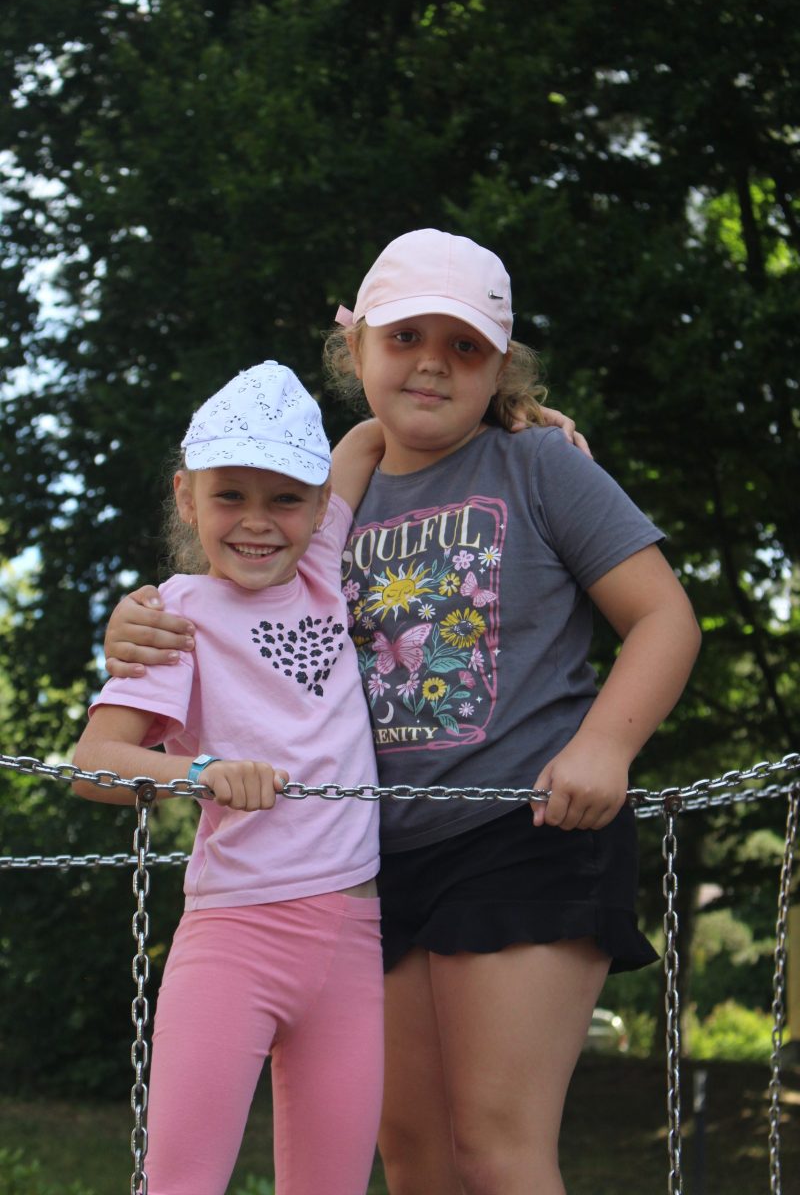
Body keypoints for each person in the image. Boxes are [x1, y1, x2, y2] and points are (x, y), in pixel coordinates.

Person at [104, 229, 701, 1195]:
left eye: (465, 347)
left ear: (501, 368)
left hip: (526, 830)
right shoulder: (325, 495)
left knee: (494, 1147)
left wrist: (605, 748)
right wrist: (136, 619)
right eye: (406, 337)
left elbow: (666, 617)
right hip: (371, 864)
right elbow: (232, 593)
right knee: (415, 1158)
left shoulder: (538, 464)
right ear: (357, 349)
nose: (432, 363)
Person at [72, 360, 389, 1195]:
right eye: (229, 496)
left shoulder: (324, 565)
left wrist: (528, 419)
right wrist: (203, 773)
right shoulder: (174, 616)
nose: (257, 522)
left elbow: (372, 432)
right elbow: (95, 764)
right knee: (182, 1182)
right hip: (235, 936)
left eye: (284, 498)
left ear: (321, 506)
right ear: (186, 497)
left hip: (353, 939)